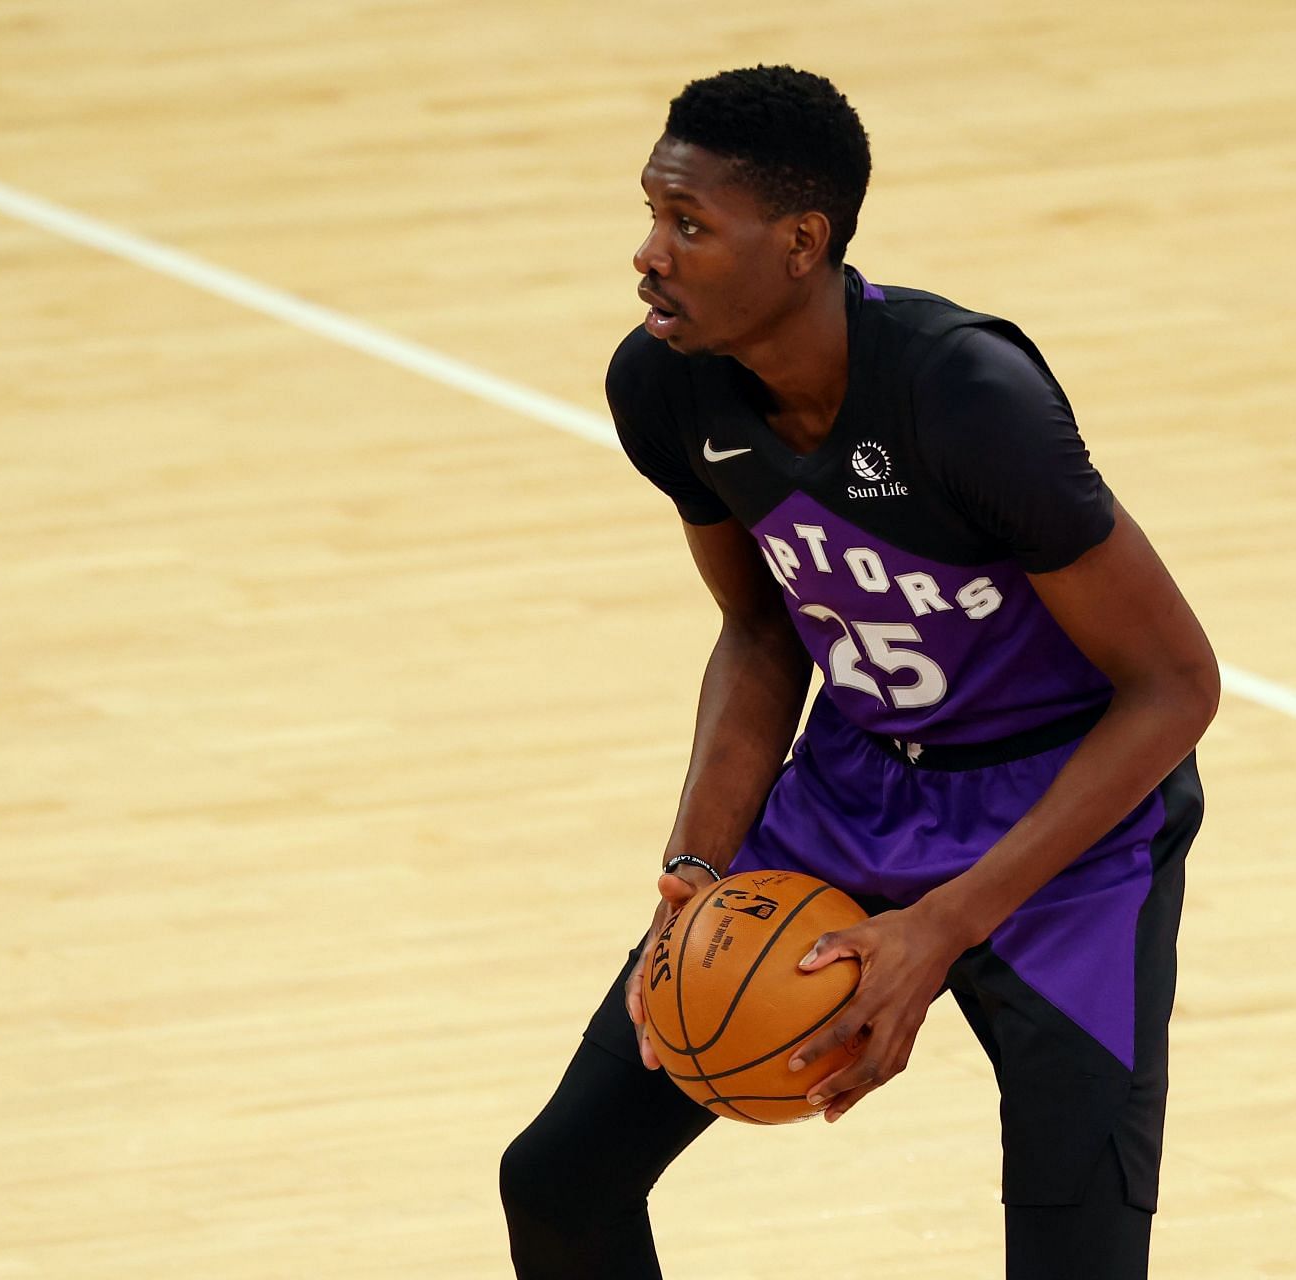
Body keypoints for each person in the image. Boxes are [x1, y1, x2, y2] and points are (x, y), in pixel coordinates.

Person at [500, 65, 1218, 1280]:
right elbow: (762, 629)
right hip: (852, 792)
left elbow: (1175, 688)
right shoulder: (665, 384)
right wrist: (695, 870)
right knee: (561, 1179)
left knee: (1077, 1257)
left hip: (1064, 833)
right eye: (649, 214)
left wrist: (943, 925)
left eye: (688, 224)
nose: (648, 253)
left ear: (800, 242)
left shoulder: (966, 395)